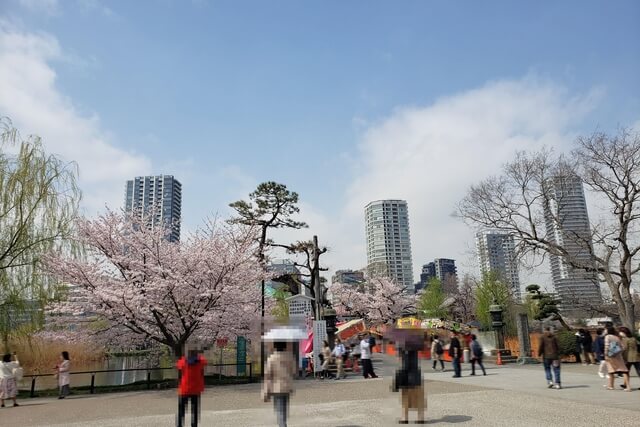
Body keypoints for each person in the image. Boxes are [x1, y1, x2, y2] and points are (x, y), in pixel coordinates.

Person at [262, 341, 296, 427]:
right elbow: (294, 371)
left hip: (277, 387)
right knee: (284, 409)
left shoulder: (272, 358)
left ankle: (282, 425)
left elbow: (268, 376)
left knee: (279, 411)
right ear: (284, 346)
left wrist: (266, 390)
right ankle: (283, 423)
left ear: (275, 346)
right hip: (287, 386)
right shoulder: (290, 357)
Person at [393, 345, 426, 424]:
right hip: (414, 371)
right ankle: (420, 417)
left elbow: (401, 361)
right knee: (417, 394)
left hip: (407, 371)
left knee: (406, 395)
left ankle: (405, 417)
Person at [176, 346, 207, 427]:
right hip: (196, 389)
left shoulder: (182, 362)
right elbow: (203, 364)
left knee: (181, 411)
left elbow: (179, 372)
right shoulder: (200, 361)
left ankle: (179, 425)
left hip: (184, 389)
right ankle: (194, 425)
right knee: (195, 411)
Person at [604, 326, 630, 391]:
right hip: (618, 356)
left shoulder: (607, 337)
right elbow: (623, 347)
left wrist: (606, 354)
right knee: (624, 370)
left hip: (610, 356)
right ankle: (628, 387)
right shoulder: (617, 337)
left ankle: (611, 386)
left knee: (611, 371)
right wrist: (618, 351)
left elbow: (606, 346)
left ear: (607, 330)